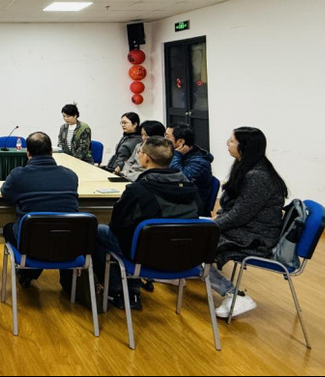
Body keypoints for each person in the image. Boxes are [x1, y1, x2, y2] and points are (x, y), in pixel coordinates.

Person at [94, 136, 202, 311]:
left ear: (146, 158)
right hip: (184, 255)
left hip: (146, 254)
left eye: (140, 151)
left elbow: (117, 225)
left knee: (96, 230)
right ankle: (131, 290)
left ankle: (118, 289)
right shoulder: (190, 187)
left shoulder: (138, 189)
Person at [210, 127, 288, 318]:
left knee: (192, 244)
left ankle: (233, 294)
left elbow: (239, 215)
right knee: (192, 242)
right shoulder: (246, 167)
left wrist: (212, 226)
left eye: (231, 141)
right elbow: (233, 209)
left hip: (255, 237)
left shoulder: (258, 177)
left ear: (244, 147)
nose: (227, 144)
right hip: (246, 229)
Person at [0, 132, 79, 287]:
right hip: (67, 243)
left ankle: (28, 272)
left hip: (32, 243)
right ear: (51, 151)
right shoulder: (71, 175)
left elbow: (6, 193)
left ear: (27, 153)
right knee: (51, 232)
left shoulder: (19, 175)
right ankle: (67, 283)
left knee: (9, 228)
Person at [166, 123, 214, 210]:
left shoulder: (200, 162)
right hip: (177, 200)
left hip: (191, 206)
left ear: (180, 142)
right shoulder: (178, 155)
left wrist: (176, 156)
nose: (164, 140)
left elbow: (178, 178)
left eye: (167, 137)